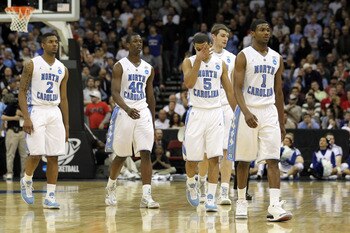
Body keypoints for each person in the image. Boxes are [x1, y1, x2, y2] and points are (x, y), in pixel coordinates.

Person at [229, 19, 292, 221]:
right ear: (252, 33)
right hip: (249, 109)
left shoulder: (276, 57)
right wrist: (245, 112)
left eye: (268, 29)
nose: (266, 32)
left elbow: (279, 92)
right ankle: (240, 201)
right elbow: (236, 88)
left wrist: (282, 122)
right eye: (262, 30)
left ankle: (274, 206)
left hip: (269, 111)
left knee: (274, 159)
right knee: (244, 160)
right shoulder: (243, 56)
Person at [182, 32, 236, 212]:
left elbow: (229, 91)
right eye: (198, 49)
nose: (201, 51)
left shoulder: (221, 64)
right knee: (192, 158)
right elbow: (189, 84)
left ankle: (212, 197)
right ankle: (191, 183)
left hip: (215, 113)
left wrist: (238, 112)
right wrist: (198, 59)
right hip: (196, 113)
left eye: (204, 48)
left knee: (214, 156)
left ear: (209, 45)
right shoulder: (189, 62)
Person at [104, 33, 159, 209]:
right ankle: (111, 187)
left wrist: (152, 119)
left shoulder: (148, 68)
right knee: (121, 155)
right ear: (127, 44)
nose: (138, 43)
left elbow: (150, 96)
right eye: (134, 41)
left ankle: (146, 196)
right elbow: (114, 92)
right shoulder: (120, 66)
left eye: (140, 41)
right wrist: (127, 109)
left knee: (145, 153)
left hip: (142, 112)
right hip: (124, 111)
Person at [18, 33, 69, 209]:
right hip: (37, 110)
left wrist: (67, 125)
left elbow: (63, 98)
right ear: (43, 44)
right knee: (36, 154)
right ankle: (26, 180)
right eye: (51, 42)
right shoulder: (32, 64)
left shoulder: (63, 68)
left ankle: (50, 196)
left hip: (55, 112)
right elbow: (22, 92)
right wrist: (26, 117)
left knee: (54, 156)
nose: (54, 45)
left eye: (56, 42)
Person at [197, 24, 237, 206]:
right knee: (207, 152)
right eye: (222, 35)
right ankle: (203, 184)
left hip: (227, 107)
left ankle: (224, 191)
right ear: (213, 36)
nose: (225, 38)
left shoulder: (232, 58)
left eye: (227, 36)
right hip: (209, 107)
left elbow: (235, 86)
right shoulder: (204, 56)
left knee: (226, 151)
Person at [1, 94, 27, 180]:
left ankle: (24, 173)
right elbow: (3, 117)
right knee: (10, 154)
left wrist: (22, 114)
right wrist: (14, 118)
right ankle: (9, 173)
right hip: (12, 132)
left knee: (24, 154)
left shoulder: (28, 105)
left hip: (23, 131)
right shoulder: (12, 105)